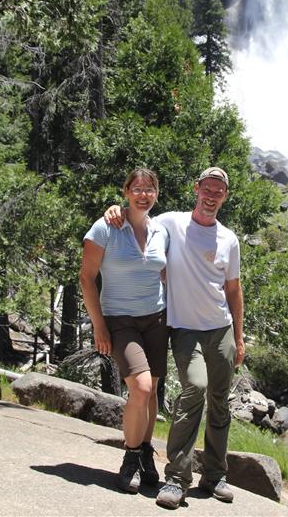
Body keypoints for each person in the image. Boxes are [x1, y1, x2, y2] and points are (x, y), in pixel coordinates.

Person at [104, 167, 245, 509]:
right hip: (185, 329)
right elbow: (139, 216)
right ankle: (177, 478)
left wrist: (239, 338)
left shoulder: (228, 239)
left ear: (225, 196)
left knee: (220, 401)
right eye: (207, 189)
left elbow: (233, 289)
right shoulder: (171, 222)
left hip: (221, 329)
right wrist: (116, 210)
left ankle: (215, 475)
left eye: (219, 191)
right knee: (194, 388)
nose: (212, 196)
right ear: (196, 189)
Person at [80, 168, 169, 495]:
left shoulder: (161, 230)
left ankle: (145, 452)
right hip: (119, 319)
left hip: (156, 318)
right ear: (126, 191)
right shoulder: (106, 227)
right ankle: (130, 458)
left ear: (156, 194)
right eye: (138, 189)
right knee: (141, 387)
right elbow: (86, 278)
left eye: (150, 189)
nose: (144, 195)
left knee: (152, 389)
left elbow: (164, 274)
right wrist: (99, 325)